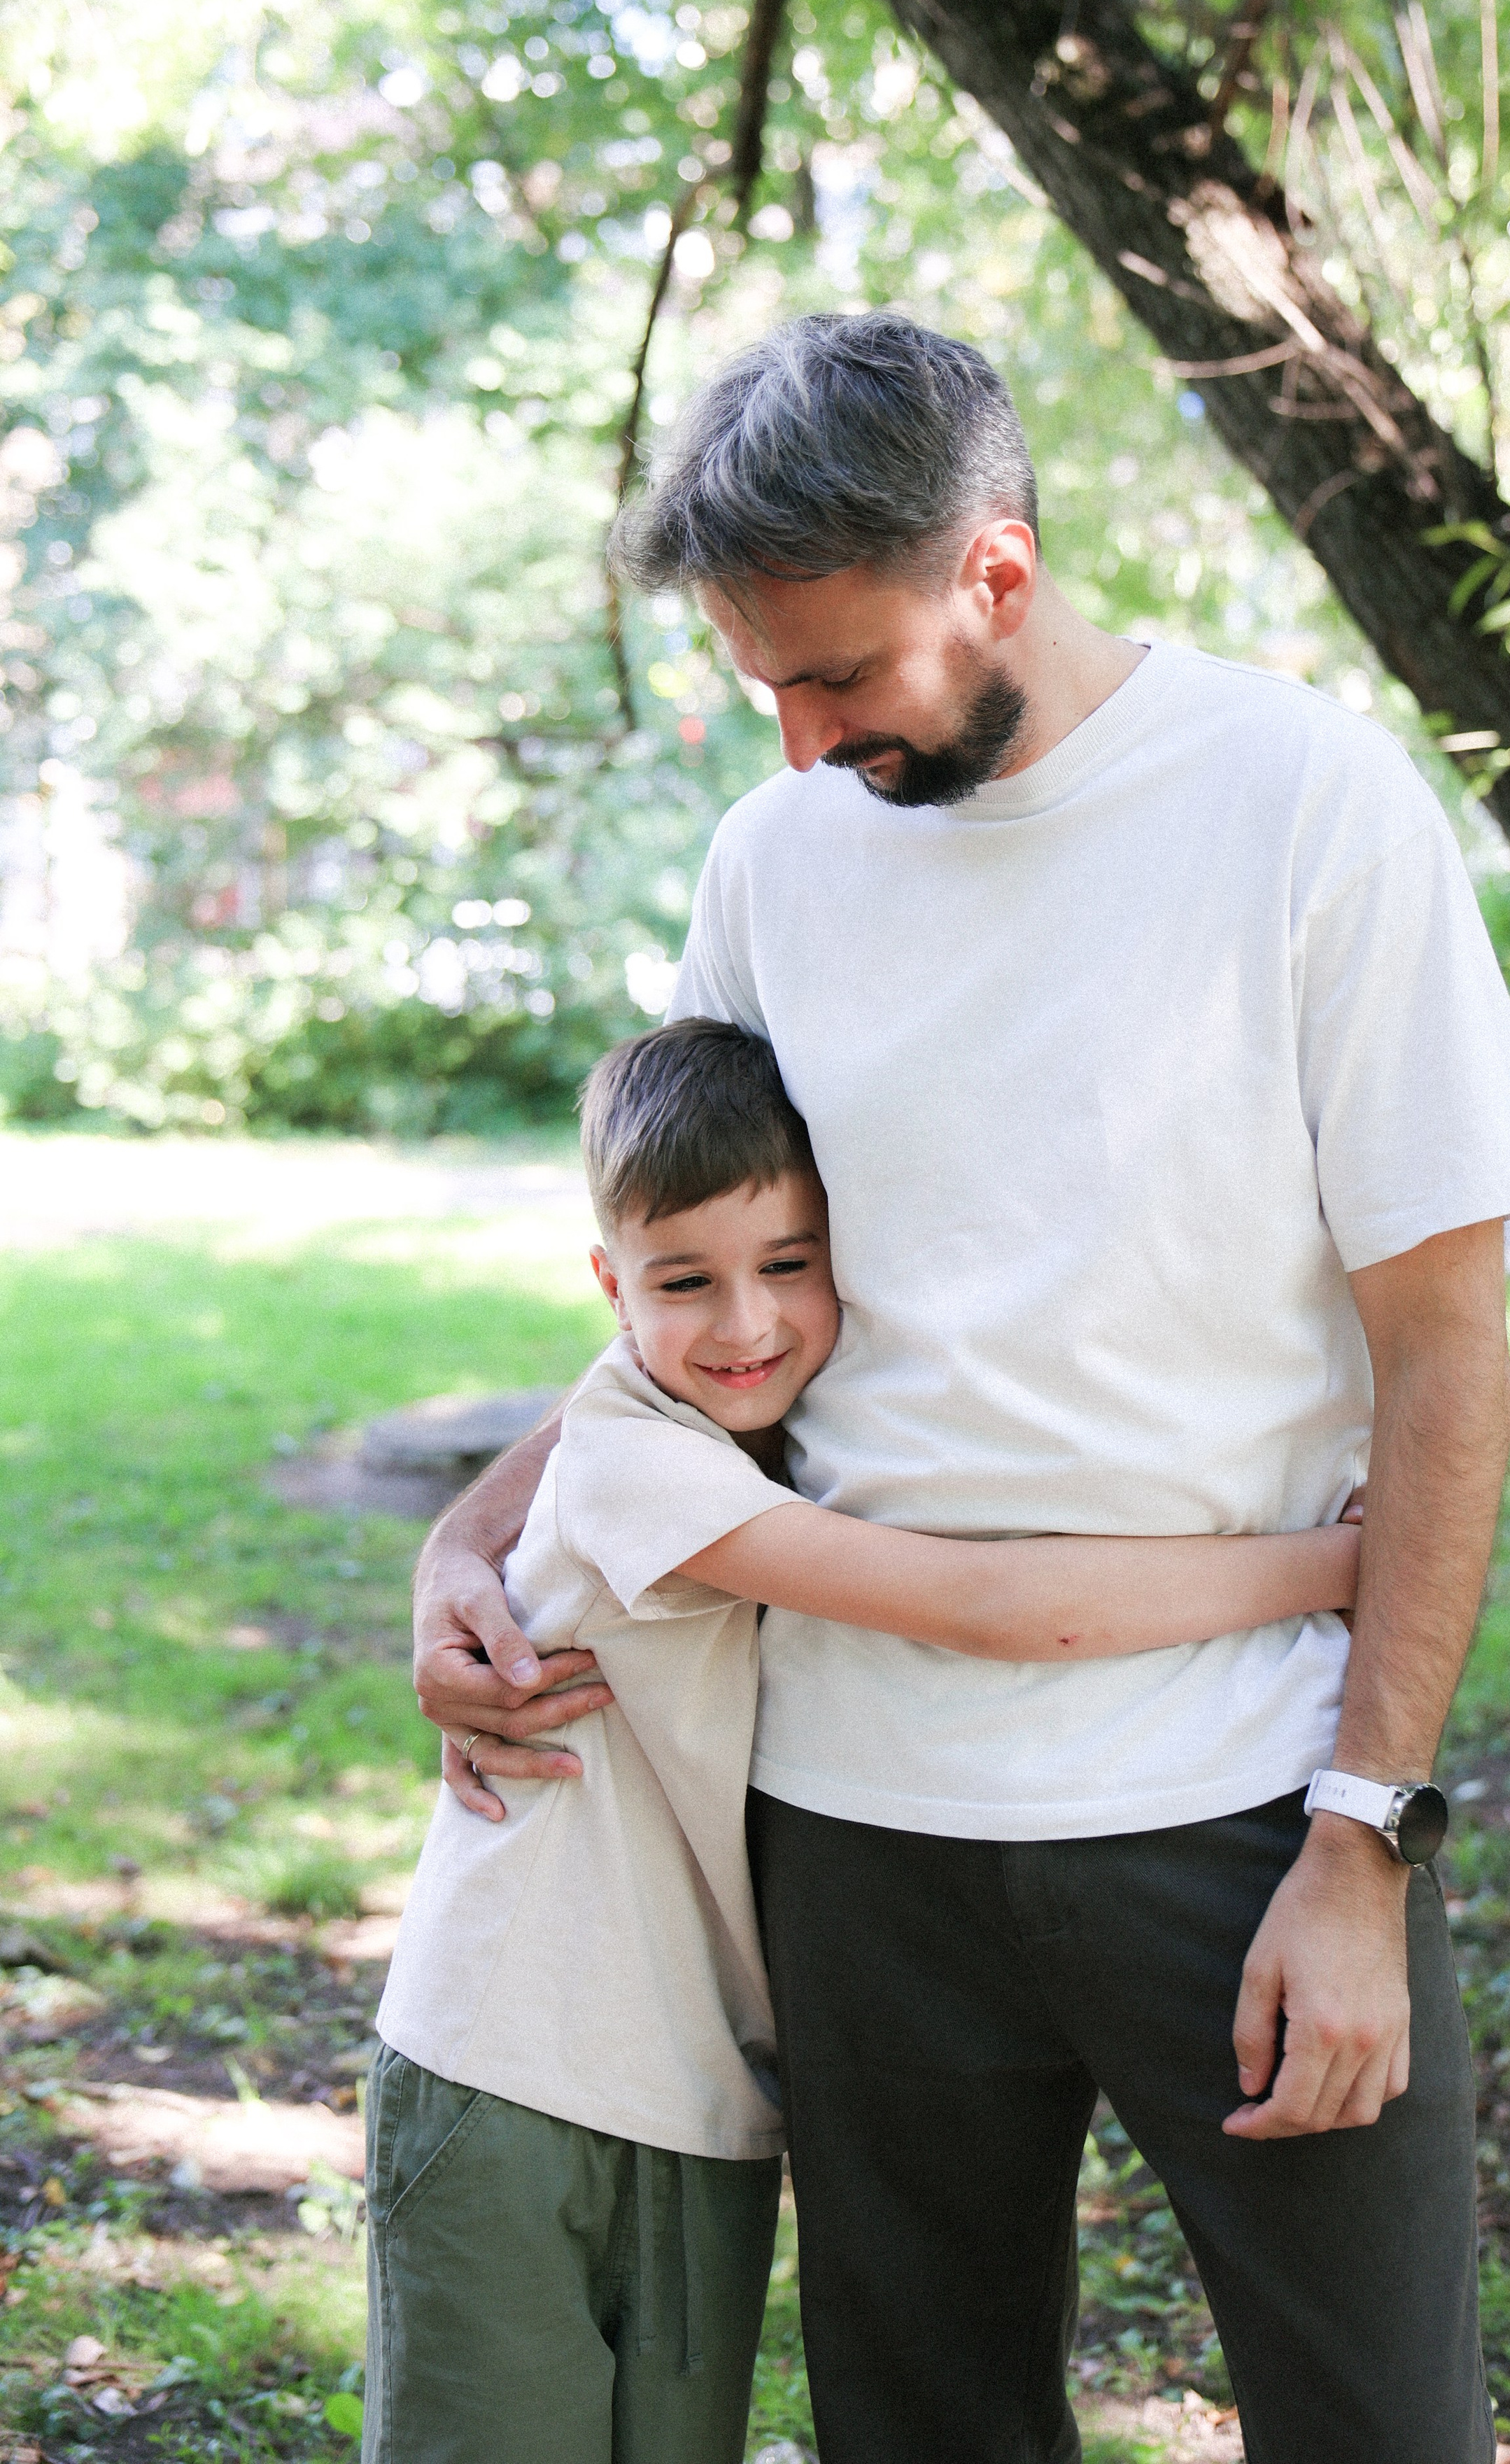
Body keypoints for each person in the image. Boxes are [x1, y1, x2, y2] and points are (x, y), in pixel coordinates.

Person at [412, 312, 1510, 2464]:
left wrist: (1365, 1837)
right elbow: (703, 1313)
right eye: (764, 686)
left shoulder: (1306, 807)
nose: (798, 743)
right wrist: (470, 1543)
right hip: (858, 1834)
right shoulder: (777, 862)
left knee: (1381, 2429)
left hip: (1248, 1811)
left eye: (838, 677)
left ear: (998, 575)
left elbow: (1446, 1357)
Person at [369, 1015, 1360, 2464]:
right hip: (515, 2066)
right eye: (684, 1283)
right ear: (609, 1288)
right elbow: (993, 1604)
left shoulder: (763, 1430)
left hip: (686, 2086)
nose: (745, 1326)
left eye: (790, 1265)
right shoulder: (638, 1463)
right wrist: (1343, 1562)